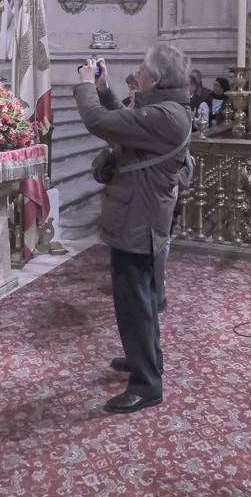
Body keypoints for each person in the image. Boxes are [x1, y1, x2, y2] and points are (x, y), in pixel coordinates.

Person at [74, 47, 192, 413]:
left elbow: (100, 123)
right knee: (140, 297)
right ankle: (144, 357)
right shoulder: (163, 108)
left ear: (154, 79)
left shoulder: (166, 115)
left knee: (135, 301)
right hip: (138, 213)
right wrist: (106, 89)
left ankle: (147, 383)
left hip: (139, 218)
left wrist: (84, 87)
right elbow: (125, 122)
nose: (136, 73)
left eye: (141, 69)